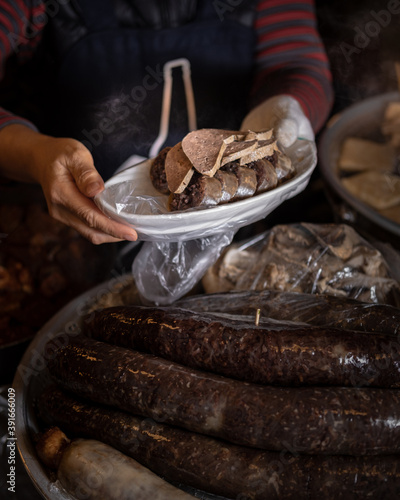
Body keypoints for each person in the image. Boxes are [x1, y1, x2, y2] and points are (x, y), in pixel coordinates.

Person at [0, 0, 333, 244]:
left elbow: (296, 63)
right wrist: (33, 154)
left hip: (234, 234)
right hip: (77, 245)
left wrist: (288, 107)